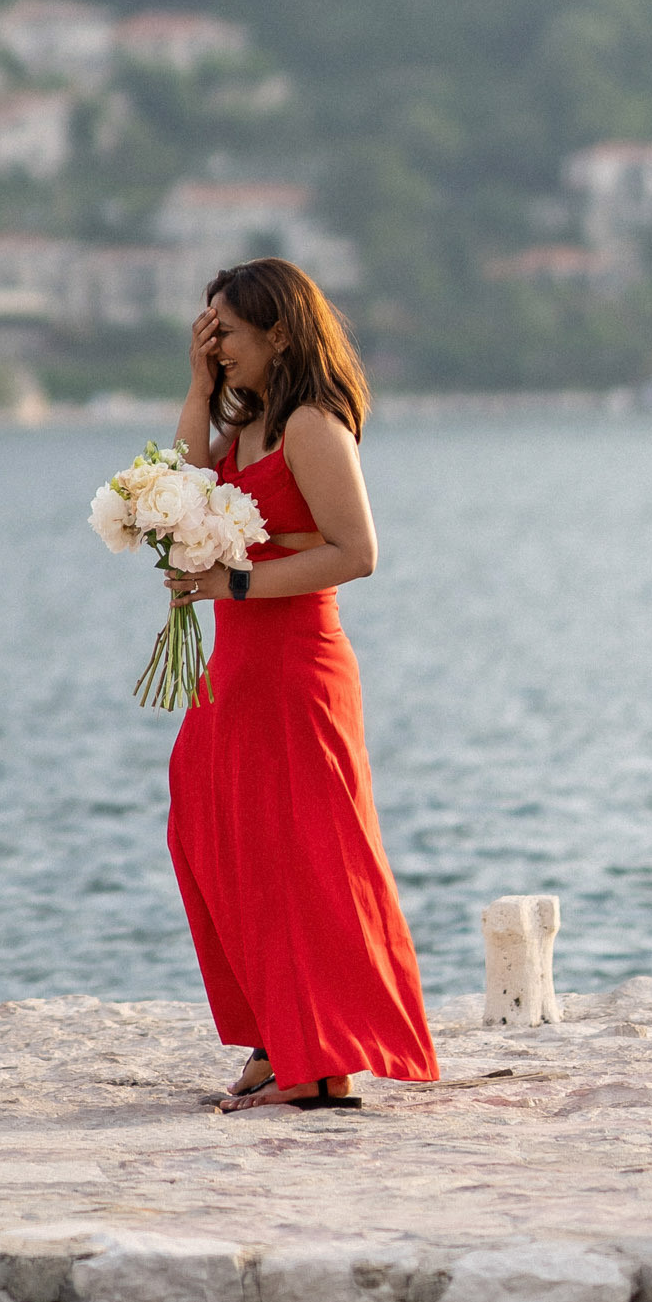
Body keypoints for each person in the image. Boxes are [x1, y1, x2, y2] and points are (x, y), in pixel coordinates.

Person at [163, 260, 438, 1110]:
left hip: (296, 665)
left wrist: (232, 585)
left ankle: (319, 1061)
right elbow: (183, 490)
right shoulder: (245, 423)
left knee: (301, 855)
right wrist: (201, 385)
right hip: (237, 665)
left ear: (278, 332)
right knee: (211, 832)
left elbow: (356, 553)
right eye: (207, 331)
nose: (217, 345)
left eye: (228, 333)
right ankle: (276, 1037)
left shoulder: (314, 426)